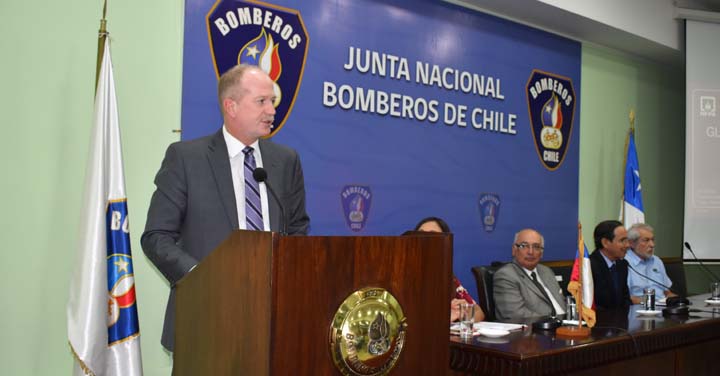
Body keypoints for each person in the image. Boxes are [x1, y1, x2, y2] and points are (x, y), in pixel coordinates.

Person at [141, 64, 310, 351]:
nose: (272, 111)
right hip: (205, 318)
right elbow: (156, 236)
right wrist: (202, 276)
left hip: (273, 321)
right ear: (230, 106)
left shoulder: (286, 161)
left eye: (273, 101)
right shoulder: (186, 158)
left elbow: (297, 230)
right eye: (262, 102)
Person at [412, 217, 485, 323]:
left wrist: (462, 313)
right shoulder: (402, 272)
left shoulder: (446, 275)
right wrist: (443, 319)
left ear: (444, 244)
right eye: (420, 234)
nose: (424, 239)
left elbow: (479, 312)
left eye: (433, 236)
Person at [493, 229, 566, 320]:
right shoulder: (506, 275)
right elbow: (516, 315)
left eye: (536, 247)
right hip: (539, 330)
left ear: (541, 253)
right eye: (524, 246)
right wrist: (553, 322)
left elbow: (563, 303)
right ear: (514, 250)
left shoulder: (546, 271)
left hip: (568, 326)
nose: (531, 252)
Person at [625, 223, 677, 303]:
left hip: (662, 308)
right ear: (631, 243)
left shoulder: (657, 261)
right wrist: (651, 302)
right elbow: (625, 297)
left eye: (652, 240)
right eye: (646, 240)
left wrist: (679, 301)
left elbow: (666, 292)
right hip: (639, 310)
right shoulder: (624, 263)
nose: (652, 245)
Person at [590, 220, 631, 309]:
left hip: (620, 320)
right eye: (622, 240)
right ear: (605, 243)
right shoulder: (589, 266)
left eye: (627, 240)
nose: (628, 245)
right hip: (600, 320)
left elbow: (625, 299)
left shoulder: (622, 264)